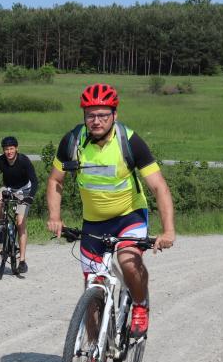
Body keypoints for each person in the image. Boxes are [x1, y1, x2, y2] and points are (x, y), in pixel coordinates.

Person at [46, 83, 175, 341]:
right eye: (90, 115)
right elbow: (55, 180)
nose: (96, 121)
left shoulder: (130, 141)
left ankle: (140, 306)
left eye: (103, 115)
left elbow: (159, 187)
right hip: (94, 222)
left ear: (114, 115)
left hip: (129, 216)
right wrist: (55, 217)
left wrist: (168, 230)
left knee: (128, 261)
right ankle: (93, 352)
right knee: (92, 288)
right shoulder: (73, 141)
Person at [0, 136, 38, 274]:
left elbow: (35, 181)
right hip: (9, 188)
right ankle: (2, 227)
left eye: (11, 148)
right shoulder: (0, 161)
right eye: (6, 149)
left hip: (24, 191)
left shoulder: (24, 160)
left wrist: (30, 197)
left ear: (16, 149)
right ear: (3, 150)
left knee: (20, 222)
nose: (9, 152)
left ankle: (22, 260)